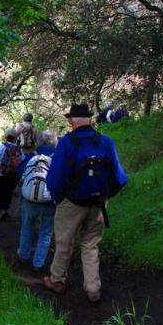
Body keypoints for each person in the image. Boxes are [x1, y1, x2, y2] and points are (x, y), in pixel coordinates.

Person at [43, 104, 127, 303]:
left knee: (64, 243)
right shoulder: (106, 142)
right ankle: (93, 289)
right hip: (98, 204)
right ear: (89, 119)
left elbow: (54, 179)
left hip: (71, 203)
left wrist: (58, 198)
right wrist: (105, 196)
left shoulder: (66, 143)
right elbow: (121, 179)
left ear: (72, 121)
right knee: (90, 244)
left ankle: (57, 280)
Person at [16, 130, 58, 272]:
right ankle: (38, 264)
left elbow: (18, 172)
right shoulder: (58, 158)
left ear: (39, 142)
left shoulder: (31, 156)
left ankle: (23, 255)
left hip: (29, 200)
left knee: (26, 226)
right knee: (46, 232)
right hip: (49, 201)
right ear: (54, 142)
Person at [0, 127, 24, 221]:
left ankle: (2, 210)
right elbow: (22, 161)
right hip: (11, 176)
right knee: (8, 193)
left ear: (5, 137)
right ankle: (6, 209)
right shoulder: (18, 150)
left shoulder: (0, 147)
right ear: (15, 137)